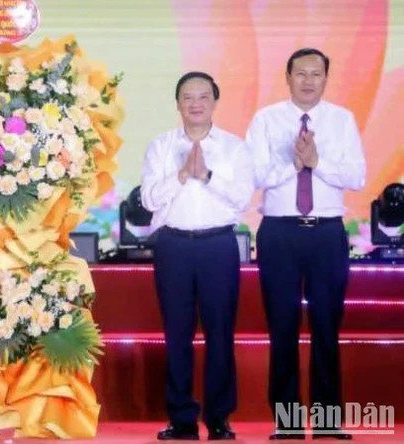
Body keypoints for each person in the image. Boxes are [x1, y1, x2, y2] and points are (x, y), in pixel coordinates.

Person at [246, 48, 365, 440]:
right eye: (301, 73)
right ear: (288, 76)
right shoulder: (266, 119)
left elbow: (357, 176)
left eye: (316, 74)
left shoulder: (342, 120)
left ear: (326, 79)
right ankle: (288, 422)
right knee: (282, 328)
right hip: (279, 232)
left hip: (327, 232)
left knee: (326, 328)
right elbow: (255, 175)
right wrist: (293, 166)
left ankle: (329, 422)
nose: (309, 80)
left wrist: (317, 161)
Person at [141, 72, 254, 441]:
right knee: (177, 334)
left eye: (203, 97)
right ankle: (182, 419)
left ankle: (219, 418)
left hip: (219, 246)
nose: (195, 104)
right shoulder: (160, 146)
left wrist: (205, 175)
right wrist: (180, 175)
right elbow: (148, 200)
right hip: (173, 246)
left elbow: (241, 198)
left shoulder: (234, 148)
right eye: (188, 97)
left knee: (221, 333)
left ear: (215, 103)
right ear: (177, 104)